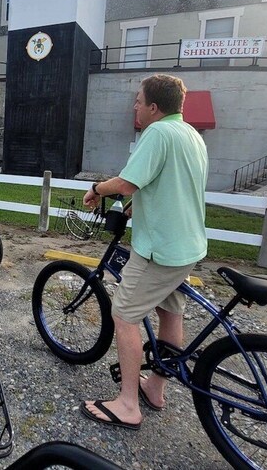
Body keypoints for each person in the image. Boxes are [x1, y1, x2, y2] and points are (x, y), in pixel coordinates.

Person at [80, 74, 208, 430]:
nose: (135, 106)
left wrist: (96, 189)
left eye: (138, 101)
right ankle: (155, 387)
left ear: (154, 107)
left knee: (124, 315)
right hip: (187, 246)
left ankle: (127, 404)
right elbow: (169, 184)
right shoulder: (191, 135)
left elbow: (125, 182)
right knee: (171, 313)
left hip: (159, 250)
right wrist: (135, 206)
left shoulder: (158, 133)